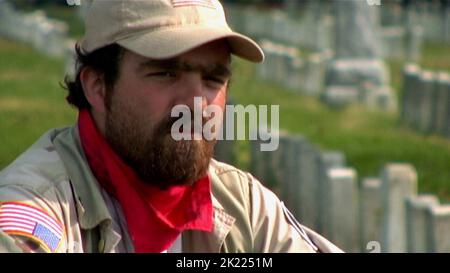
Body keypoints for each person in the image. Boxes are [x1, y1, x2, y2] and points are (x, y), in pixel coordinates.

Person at [0, 0, 341, 253]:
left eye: (212, 78)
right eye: (165, 72)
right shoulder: (34, 211)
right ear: (98, 86)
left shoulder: (243, 206)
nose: (196, 102)